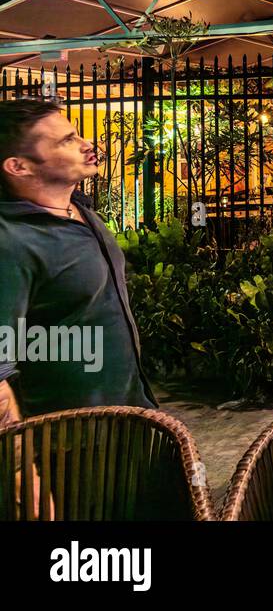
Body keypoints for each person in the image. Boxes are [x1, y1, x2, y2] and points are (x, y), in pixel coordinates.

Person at [0, 99, 156, 432]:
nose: (88, 145)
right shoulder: (11, 242)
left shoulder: (81, 211)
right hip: (66, 441)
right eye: (67, 140)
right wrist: (22, 473)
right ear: (18, 166)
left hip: (128, 414)